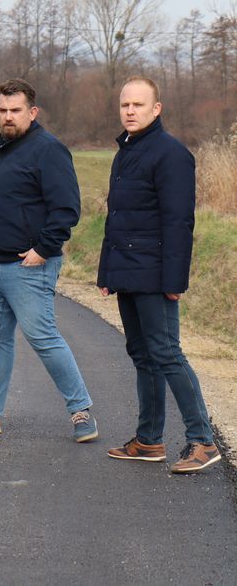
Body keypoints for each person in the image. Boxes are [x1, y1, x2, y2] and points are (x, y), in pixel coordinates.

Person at [0, 78, 97, 443]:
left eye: (15, 111)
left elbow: (67, 209)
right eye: (2, 110)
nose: (8, 117)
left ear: (32, 112)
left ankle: (81, 411)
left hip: (28, 266)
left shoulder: (49, 150)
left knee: (43, 337)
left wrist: (43, 249)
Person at [99, 76, 221, 474]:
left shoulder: (170, 154)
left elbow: (178, 222)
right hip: (127, 273)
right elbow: (116, 219)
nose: (130, 111)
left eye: (138, 105)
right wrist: (107, 271)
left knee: (167, 353)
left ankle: (202, 441)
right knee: (142, 355)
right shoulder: (126, 152)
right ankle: (149, 441)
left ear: (157, 109)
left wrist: (174, 281)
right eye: (125, 105)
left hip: (155, 276)